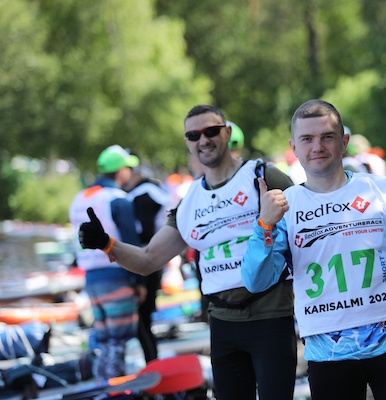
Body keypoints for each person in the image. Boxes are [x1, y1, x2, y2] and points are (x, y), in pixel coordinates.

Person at [77, 105, 297, 400]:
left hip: (270, 317)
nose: (203, 140)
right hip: (222, 324)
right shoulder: (190, 200)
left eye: (211, 131)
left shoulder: (263, 176)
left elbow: (308, 235)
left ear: (227, 132)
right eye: (194, 135)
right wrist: (106, 243)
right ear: (187, 142)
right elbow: (148, 259)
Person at [242, 99, 386, 400]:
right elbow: (256, 280)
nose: (317, 147)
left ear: (343, 142)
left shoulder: (382, 189)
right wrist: (263, 225)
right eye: (307, 139)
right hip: (328, 351)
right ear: (294, 147)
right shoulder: (284, 207)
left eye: (327, 137)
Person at [69, 144, 144, 380]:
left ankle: (101, 381)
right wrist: (140, 280)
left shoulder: (79, 198)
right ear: (121, 171)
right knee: (119, 338)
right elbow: (131, 242)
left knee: (103, 338)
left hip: (91, 278)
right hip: (117, 275)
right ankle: (116, 385)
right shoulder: (118, 198)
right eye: (128, 168)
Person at [123, 154, 171, 363]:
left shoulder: (144, 194)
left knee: (142, 321)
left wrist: (139, 280)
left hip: (150, 262)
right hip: (155, 259)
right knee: (144, 321)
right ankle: (152, 364)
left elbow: (146, 236)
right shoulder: (152, 189)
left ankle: (153, 365)